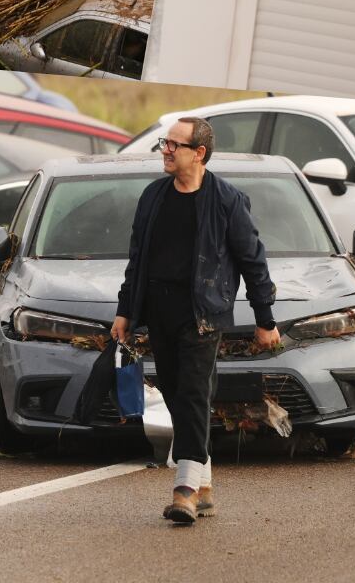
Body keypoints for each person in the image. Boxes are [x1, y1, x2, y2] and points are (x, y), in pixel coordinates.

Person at [109, 115, 279, 526]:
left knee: (194, 391)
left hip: (203, 314)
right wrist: (126, 310)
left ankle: (183, 491)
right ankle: (203, 485)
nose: (165, 151)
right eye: (164, 144)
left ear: (199, 153)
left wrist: (265, 318)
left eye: (174, 145)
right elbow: (138, 260)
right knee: (172, 389)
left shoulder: (226, 200)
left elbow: (252, 260)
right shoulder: (153, 197)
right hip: (160, 312)